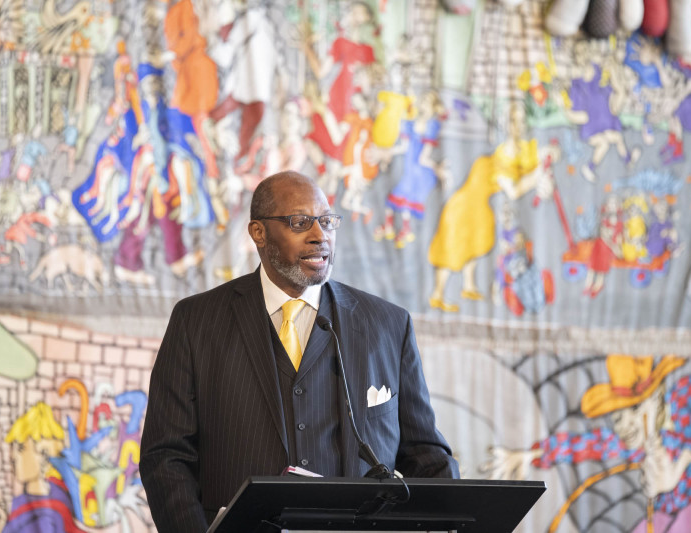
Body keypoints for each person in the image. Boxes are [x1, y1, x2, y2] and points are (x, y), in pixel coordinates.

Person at [140, 171, 459, 532]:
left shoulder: (388, 324)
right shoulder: (196, 320)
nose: (319, 235)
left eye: (326, 221)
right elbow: (166, 456)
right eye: (300, 222)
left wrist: (459, 518)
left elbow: (425, 456)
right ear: (258, 232)